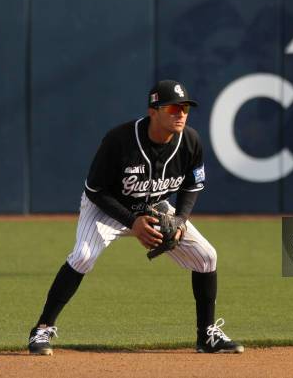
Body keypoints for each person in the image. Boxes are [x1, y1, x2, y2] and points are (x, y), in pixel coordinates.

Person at [27, 80, 243, 355]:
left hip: (154, 207)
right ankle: (42, 329)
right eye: (174, 107)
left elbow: (192, 185)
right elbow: (96, 190)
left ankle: (206, 336)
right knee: (82, 256)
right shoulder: (120, 140)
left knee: (206, 256)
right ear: (154, 111)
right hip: (108, 206)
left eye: (185, 107)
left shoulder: (190, 141)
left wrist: (180, 220)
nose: (181, 113)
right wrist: (132, 221)